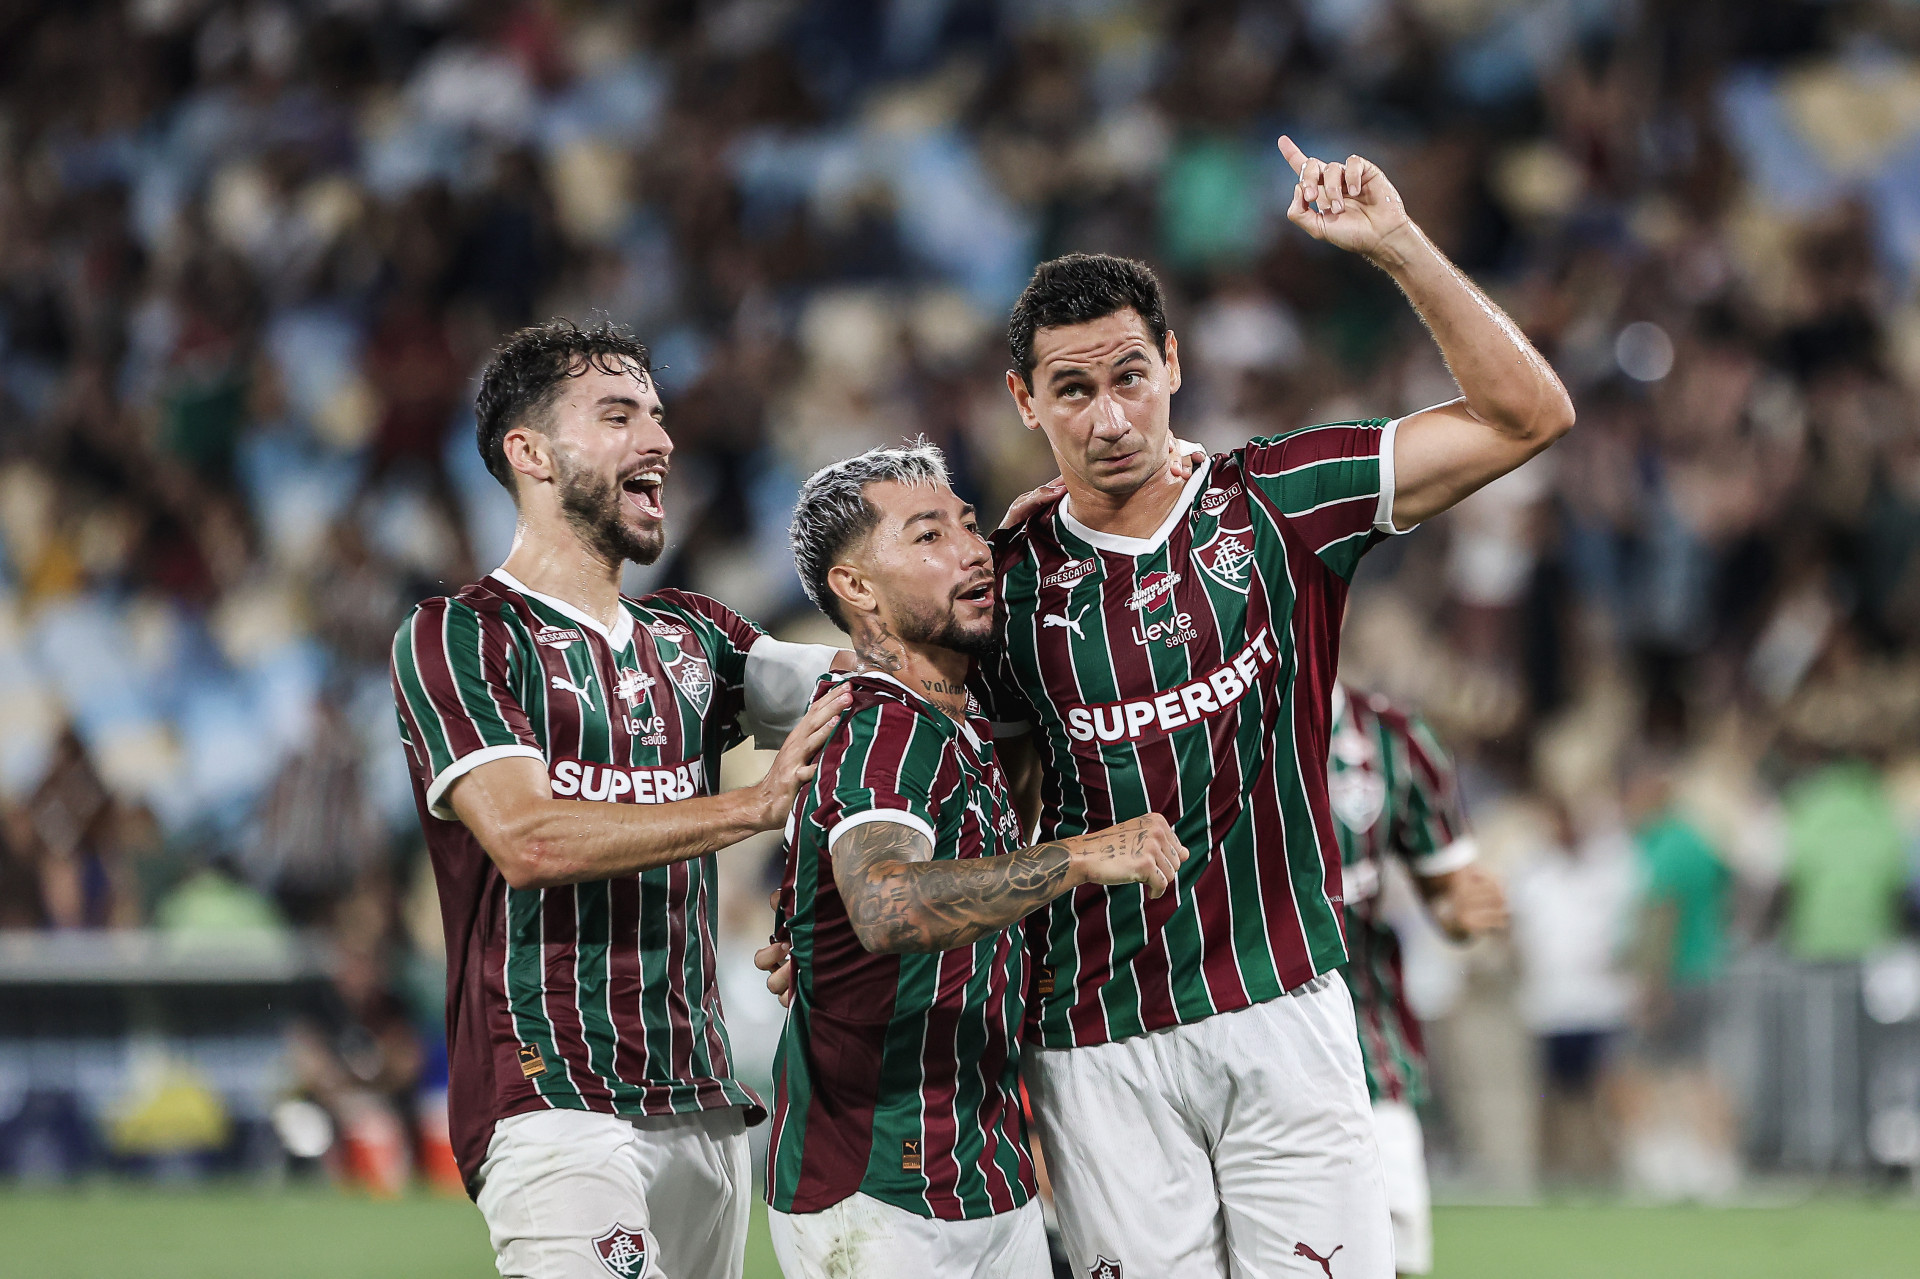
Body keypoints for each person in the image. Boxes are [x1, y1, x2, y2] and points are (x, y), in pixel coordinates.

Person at [980, 137, 1575, 1277]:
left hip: (1283, 1010)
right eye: (1072, 389)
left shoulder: (1281, 502)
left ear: (1174, 364)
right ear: (1025, 401)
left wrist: (1397, 247)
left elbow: (1526, 418)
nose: (1109, 417)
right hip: (1094, 1040)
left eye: (1129, 377)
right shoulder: (1002, 583)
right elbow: (988, 804)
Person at [389, 318, 854, 1279]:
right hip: (552, 1099)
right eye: (617, 415)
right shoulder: (465, 635)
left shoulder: (695, 638)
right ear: (531, 454)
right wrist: (753, 807)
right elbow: (526, 836)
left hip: (703, 1107)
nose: (660, 439)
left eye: (657, 413)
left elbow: (876, 694)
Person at [763, 441, 1187, 1279]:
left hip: (981, 1170)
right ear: (855, 587)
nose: (969, 549)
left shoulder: (951, 717)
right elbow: (886, 905)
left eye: (968, 526)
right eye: (927, 537)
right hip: (880, 1186)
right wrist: (1076, 856)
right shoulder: (880, 726)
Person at [1327, 683, 1507, 1276]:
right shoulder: (1196, 725)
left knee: (1395, 1255)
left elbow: (1450, 891)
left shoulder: (1390, 737)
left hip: (1364, 1046)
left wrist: (1462, 912)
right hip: (1230, 1034)